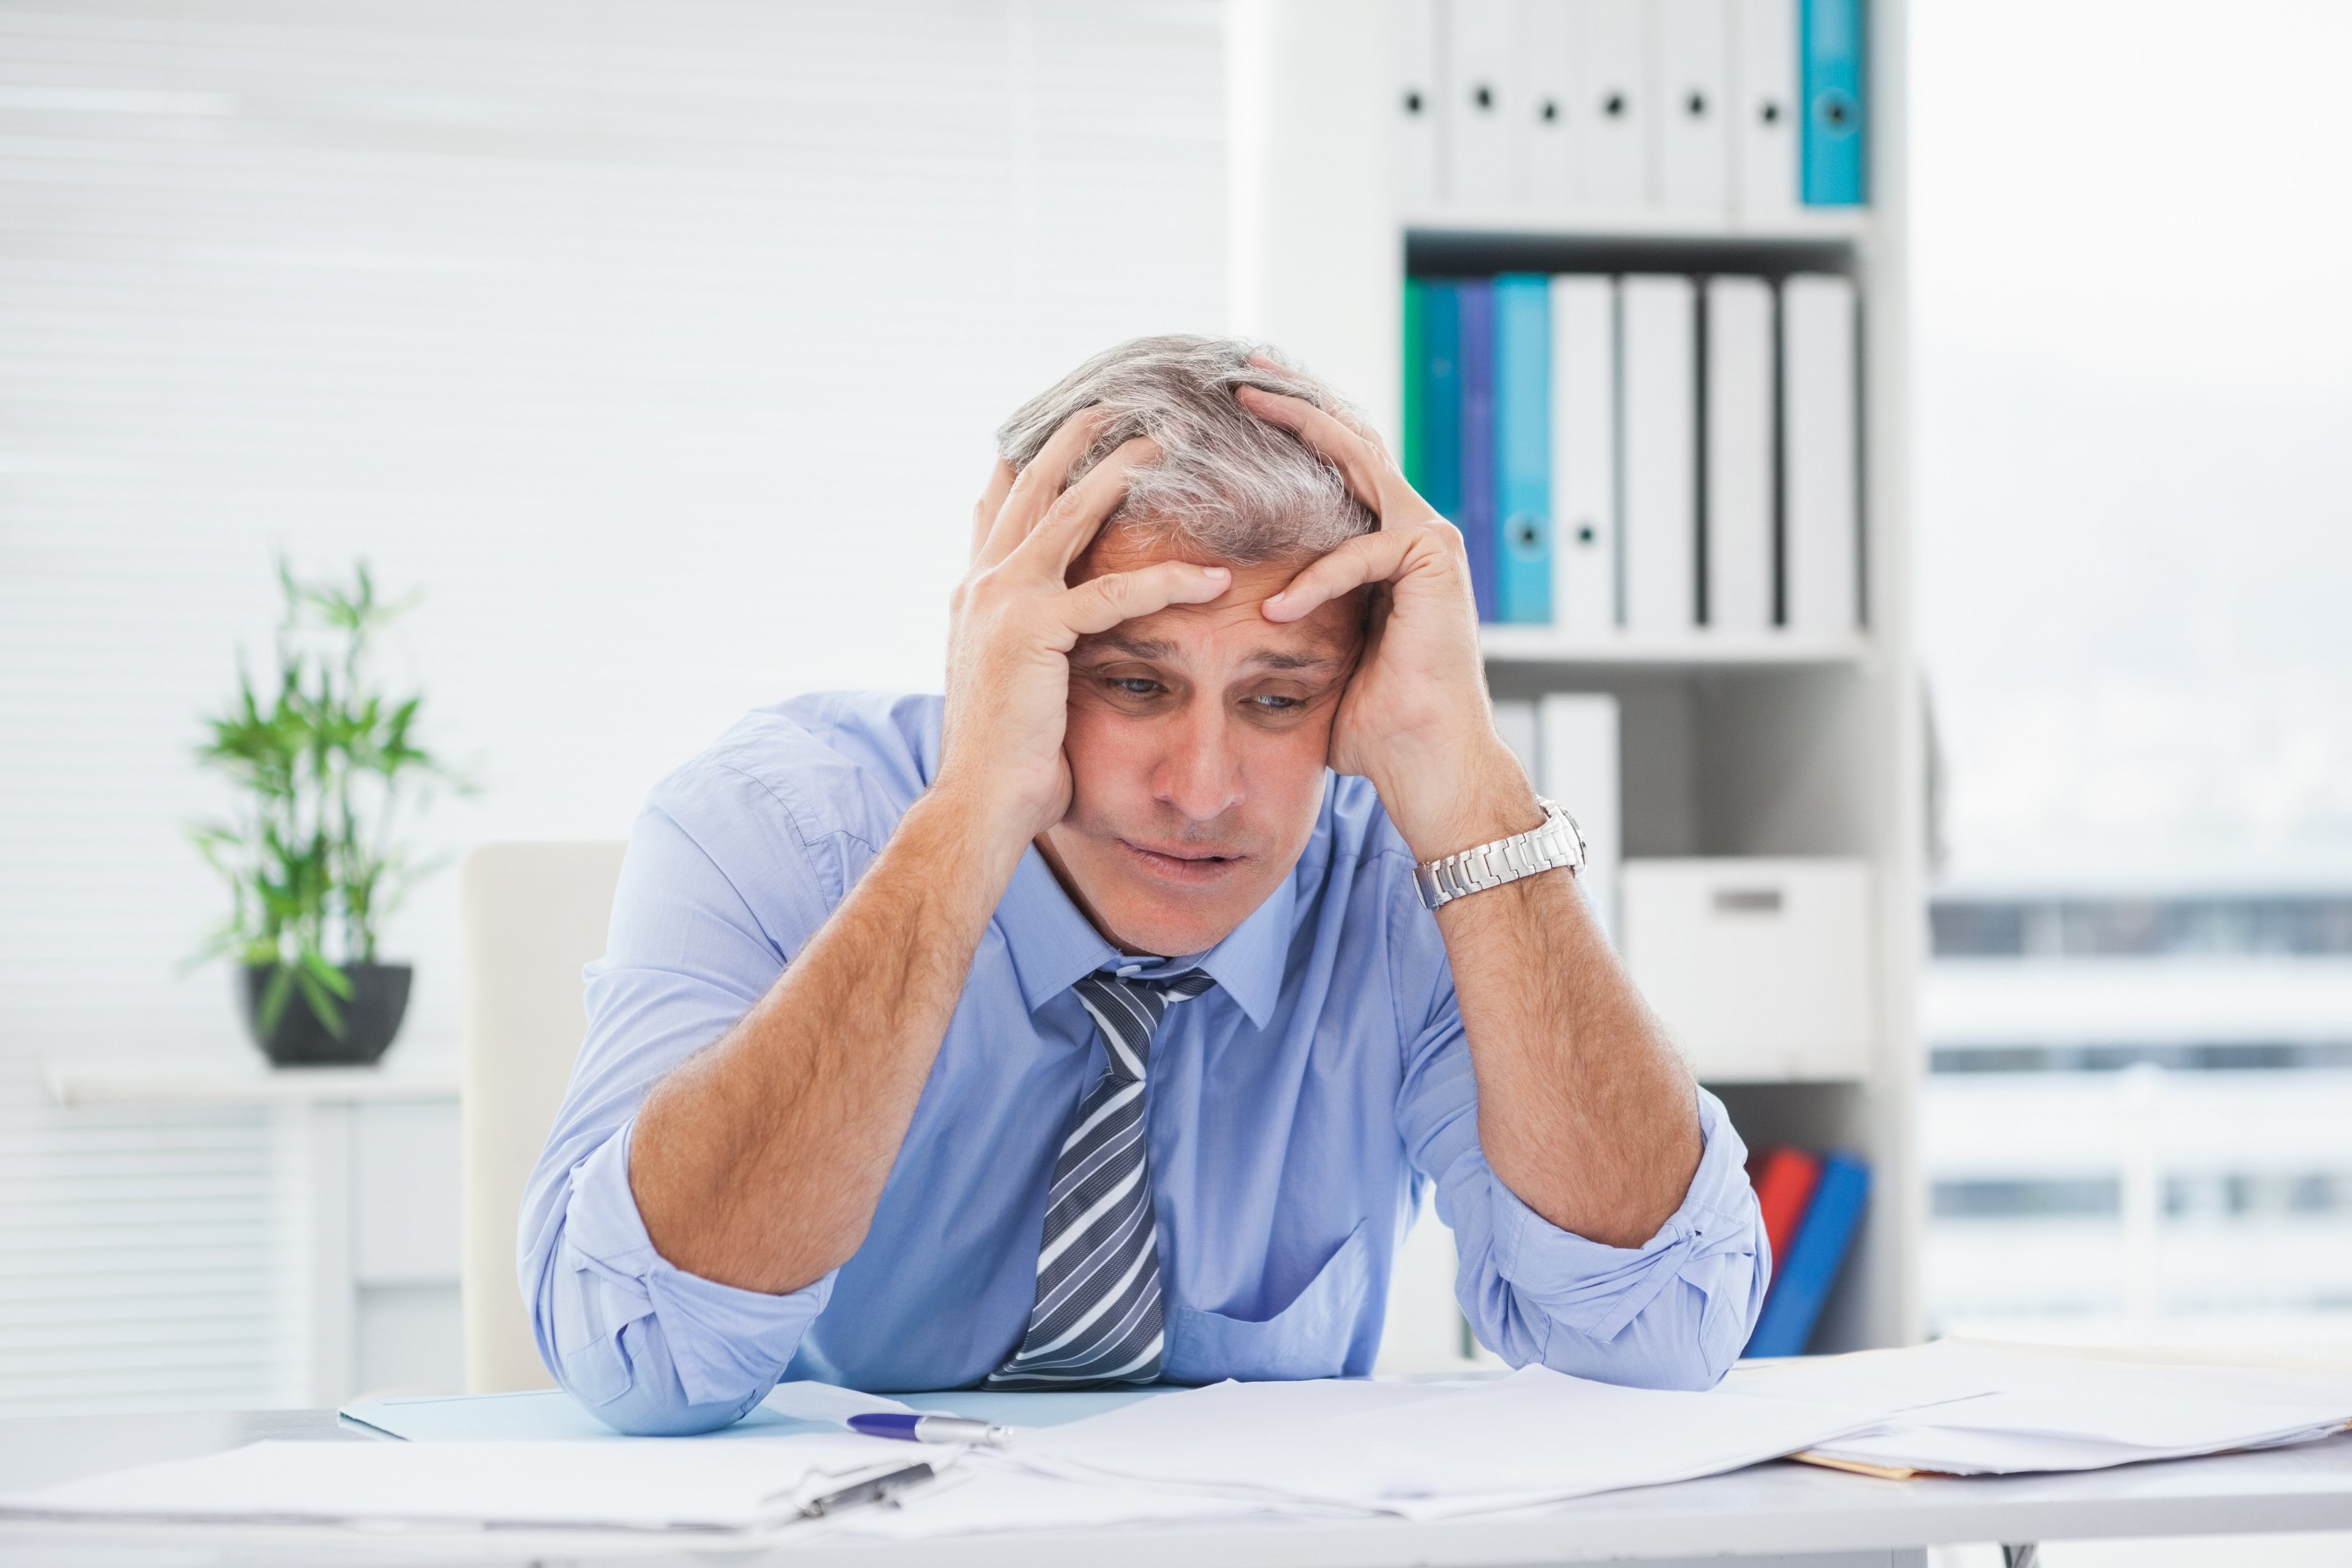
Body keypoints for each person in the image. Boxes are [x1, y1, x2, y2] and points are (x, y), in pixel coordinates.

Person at [520, 336, 1767, 1434]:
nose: (1206, 784)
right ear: (1006, 648)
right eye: (1131, 683)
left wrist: (1472, 784)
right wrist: (969, 816)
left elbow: (1659, 1333)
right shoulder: (773, 826)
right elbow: (649, 1357)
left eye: (1278, 698)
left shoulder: (1411, 871)